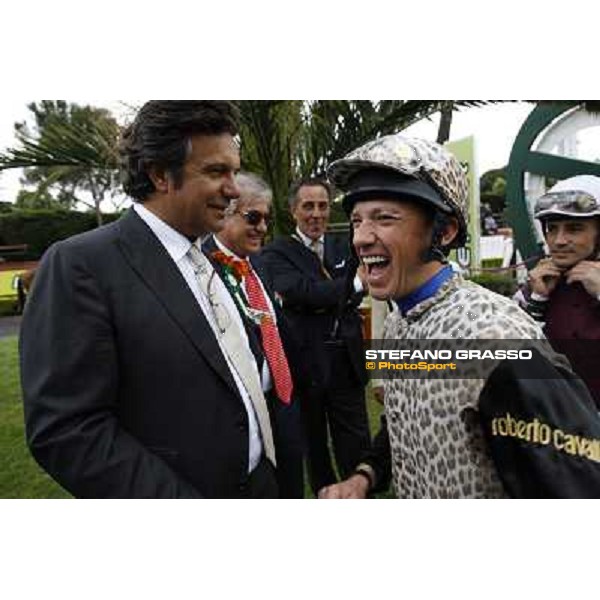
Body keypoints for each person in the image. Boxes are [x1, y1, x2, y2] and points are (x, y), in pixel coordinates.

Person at [20, 101, 281, 498]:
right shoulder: (81, 264)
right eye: (216, 171)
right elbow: (67, 431)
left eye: (233, 170)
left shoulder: (208, 259)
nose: (233, 189)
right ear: (160, 174)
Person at [319, 133, 569, 499]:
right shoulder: (397, 321)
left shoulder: (494, 336)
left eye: (384, 218)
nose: (361, 238)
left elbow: (567, 482)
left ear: (446, 230)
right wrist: (364, 476)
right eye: (357, 220)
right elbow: (402, 420)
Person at [260, 177, 372, 495]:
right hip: (305, 368)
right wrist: (351, 287)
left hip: (346, 366)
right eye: (308, 206)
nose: (316, 214)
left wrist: (325, 296)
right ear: (294, 210)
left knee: (356, 446)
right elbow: (300, 293)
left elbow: (317, 295)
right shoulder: (276, 253)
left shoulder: (344, 245)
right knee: (316, 451)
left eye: (323, 206)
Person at [202, 171, 305, 497]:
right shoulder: (201, 270)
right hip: (241, 415)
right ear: (226, 214)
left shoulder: (260, 264)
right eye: (253, 217)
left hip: (283, 400)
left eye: (266, 218)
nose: (262, 227)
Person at [520, 175, 600, 409]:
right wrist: (536, 301)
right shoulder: (535, 283)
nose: (559, 240)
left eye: (574, 229)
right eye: (552, 229)